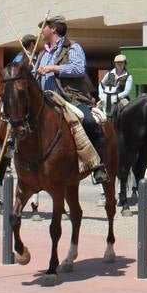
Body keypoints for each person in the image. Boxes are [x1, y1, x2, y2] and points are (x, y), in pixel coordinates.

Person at [33, 13, 109, 185]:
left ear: (53, 29)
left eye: (43, 26)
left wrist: (52, 68)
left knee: (89, 121)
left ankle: (98, 166)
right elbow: (33, 75)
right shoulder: (40, 54)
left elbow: (78, 69)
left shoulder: (73, 47)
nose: (40, 30)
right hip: (44, 101)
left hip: (69, 98)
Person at [99, 54, 135, 120]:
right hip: (107, 97)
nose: (119, 64)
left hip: (121, 98)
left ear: (125, 63)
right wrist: (101, 95)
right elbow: (101, 84)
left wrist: (115, 96)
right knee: (97, 108)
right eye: (117, 62)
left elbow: (126, 91)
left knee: (128, 112)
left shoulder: (128, 76)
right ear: (115, 64)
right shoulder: (110, 74)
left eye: (121, 62)